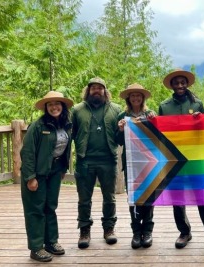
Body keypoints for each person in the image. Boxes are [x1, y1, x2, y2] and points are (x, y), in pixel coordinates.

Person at [159, 69, 204, 252]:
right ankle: (184, 232)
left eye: (183, 82)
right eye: (177, 83)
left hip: (196, 158)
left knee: (202, 197)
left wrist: (201, 120)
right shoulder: (164, 107)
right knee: (177, 198)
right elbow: (159, 134)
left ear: (187, 84)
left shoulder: (197, 104)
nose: (180, 86)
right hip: (174, 159)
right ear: (172, 86)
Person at [21, 91, 73, 262]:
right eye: (50, 105)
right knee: (36, 209)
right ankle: (36, 248)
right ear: (46, 108)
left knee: (50, 206)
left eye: (57, 104)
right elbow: (27, 152)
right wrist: (30, 177)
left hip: (55, 171)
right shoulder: (37, 126)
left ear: (63, 106)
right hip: (37, 173)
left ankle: (51, 242)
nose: (54, 107)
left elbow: (64, 149)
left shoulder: (65, 124)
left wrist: (63, 167)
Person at [72, 77, 122, 249]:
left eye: (100, 88)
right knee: (84, 199)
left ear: (105, 91)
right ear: (88, 91)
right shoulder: (77, 110)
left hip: (108, 159)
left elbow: (120, 135)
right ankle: (84, 231)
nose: (96, 91)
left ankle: (109, 229)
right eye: (93, 88)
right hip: (85, 161)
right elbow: (70, 134)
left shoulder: (116, 109)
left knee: (109, 198)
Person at [116, 83, 156, 249]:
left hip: (150, 162)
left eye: (139, 95)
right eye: (132, 96)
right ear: (128, 98)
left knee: (148, 197)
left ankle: (147, 231)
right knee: (133, 198)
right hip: (131, 163)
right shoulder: (122, 115)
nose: (136, 98)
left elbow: (159, 138)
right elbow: (117, 141)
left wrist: (154, 122)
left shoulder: (150, 114)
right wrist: (119, 130)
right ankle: (136, 231)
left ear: (143, 97)